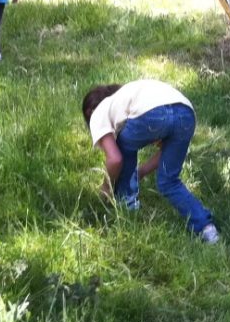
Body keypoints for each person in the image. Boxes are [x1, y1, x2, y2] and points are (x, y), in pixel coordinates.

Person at [81, 79, 219, 243]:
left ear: (89, 111)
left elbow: (115, 159)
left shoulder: (98, 112)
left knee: (120, 145)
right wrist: (142, 172)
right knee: (169, 181)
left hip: (152, 114)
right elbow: (166, 152)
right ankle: (206, 229)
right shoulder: (128, 99)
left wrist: (106, 187)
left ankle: (128, 207)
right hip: (186, 112)